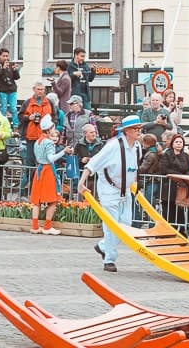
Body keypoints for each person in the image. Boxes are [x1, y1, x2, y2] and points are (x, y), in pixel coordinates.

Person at [78, 115, 143, 273]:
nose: (139, 131)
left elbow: (134, 167)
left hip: (125, 190)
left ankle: (102, 246)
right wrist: (81, 182)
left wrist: (133, 183)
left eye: (140, 128)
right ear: (127, 131)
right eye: (136, 129)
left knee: (126, 225)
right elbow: (93, 162)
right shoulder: (113, 146)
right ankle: (109, 259)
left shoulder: (137, 147)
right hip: (109, 189)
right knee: (112, 226)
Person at [30, 115, 71, 235]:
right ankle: (47, 227)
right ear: (48, 129)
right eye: (52, 127)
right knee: (53, 200)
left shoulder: (38, 141)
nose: (54, 129)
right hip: (47, 171)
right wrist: (64, 151)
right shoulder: (49, 143)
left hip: (39, 170)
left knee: (37, 200)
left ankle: (35, 226)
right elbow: (51, 158)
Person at [18, 82, 53, 193]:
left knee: (44, 163)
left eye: (42, 89)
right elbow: (20, 116)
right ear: (34, 89)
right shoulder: (27, 102)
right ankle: (24, 190)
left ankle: (40, 188)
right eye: (38, 89)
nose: (40, 91)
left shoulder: (49, 103)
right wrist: (29, 117)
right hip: (31, 137)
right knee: (30, 164)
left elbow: (55, 117)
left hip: (46, 138)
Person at [160, 133, 189, 226]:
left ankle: (180, 230)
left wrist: (185, 177)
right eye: (176, 142)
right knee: (169, 210)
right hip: (169, 186)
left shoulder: (185, 155)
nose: (178, 144)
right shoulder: (167, 154)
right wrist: (178, 175)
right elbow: (164, 169)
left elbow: (188, 169)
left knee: (180, 211)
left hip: (181, 186)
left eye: (181, 142)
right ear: (172, 143)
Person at [134, 133, 161, 227]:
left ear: (147, 143)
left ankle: (151, 225)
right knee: (149, 203)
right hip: (152, 181)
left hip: (150, 181)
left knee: (149, 204)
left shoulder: (150, 155)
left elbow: (143, 168)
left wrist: (133, 169)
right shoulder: (156, 152)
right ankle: (150, 224)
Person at [0, 48, 20, 131]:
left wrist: (15, 70)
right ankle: (2, 125)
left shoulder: (10, 64)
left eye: (7, 56)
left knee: (13, 108)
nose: (5, 58)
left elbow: (16, 77)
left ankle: (15, 126)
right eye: (3, 56)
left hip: (12, 90)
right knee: (3, 108)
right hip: (3, 90)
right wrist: (3, 69)